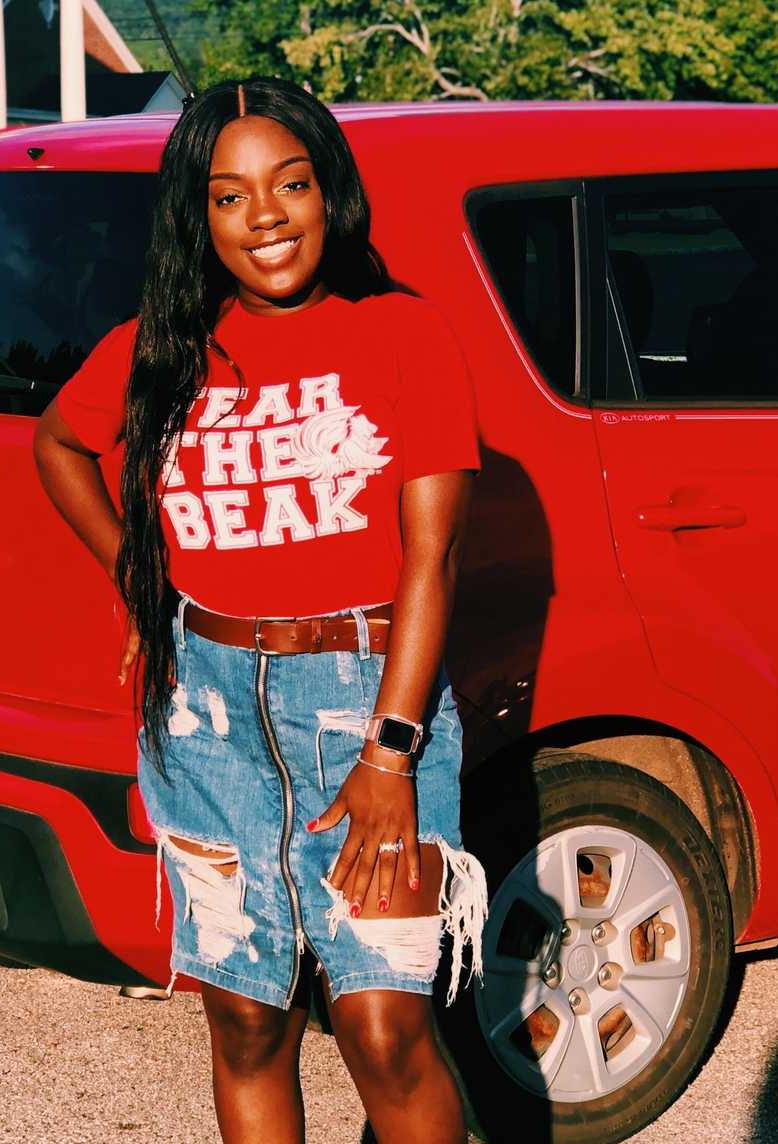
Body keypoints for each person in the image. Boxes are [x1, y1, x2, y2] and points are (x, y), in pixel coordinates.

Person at [33, 77, 487, 1144]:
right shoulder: (163, 347)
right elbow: (57, 443)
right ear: (198, 218)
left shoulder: (404, 334)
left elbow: (434, 560)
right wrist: (141, 582)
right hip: (208, 721)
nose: (266, 217)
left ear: (331, 193)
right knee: (245, 1021)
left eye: (290, 184)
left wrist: (391, 754)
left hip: (366, 706)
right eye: (229, 196)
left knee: (384, 1028)